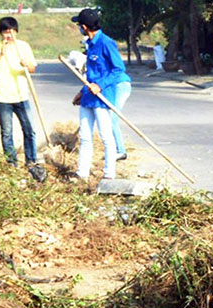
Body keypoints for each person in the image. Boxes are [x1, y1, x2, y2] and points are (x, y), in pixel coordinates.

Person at [71, 8, 127, 180]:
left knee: (106, 137)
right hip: (88, 97)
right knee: (85, 137)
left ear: (85, 27)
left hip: (103, 98)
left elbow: (119, 70)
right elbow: (90, 74)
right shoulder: (89, 44)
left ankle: (109, 175)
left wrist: (100, 86)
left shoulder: (106, 43)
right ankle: (82, 174)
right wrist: (82, 92)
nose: (79, 28)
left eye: (80, 25)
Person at [0, 17, 37, 167]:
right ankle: (12, 163)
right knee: (7, 133)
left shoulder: (23, 46)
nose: (9, 35)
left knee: (29, 130)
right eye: (6, 32)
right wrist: (1, 54)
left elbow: (32, 68)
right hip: (2, 96)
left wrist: (26, 65)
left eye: (12, 31)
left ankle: (31, 161)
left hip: (21, 95)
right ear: (1, 32)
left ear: (16, 31)